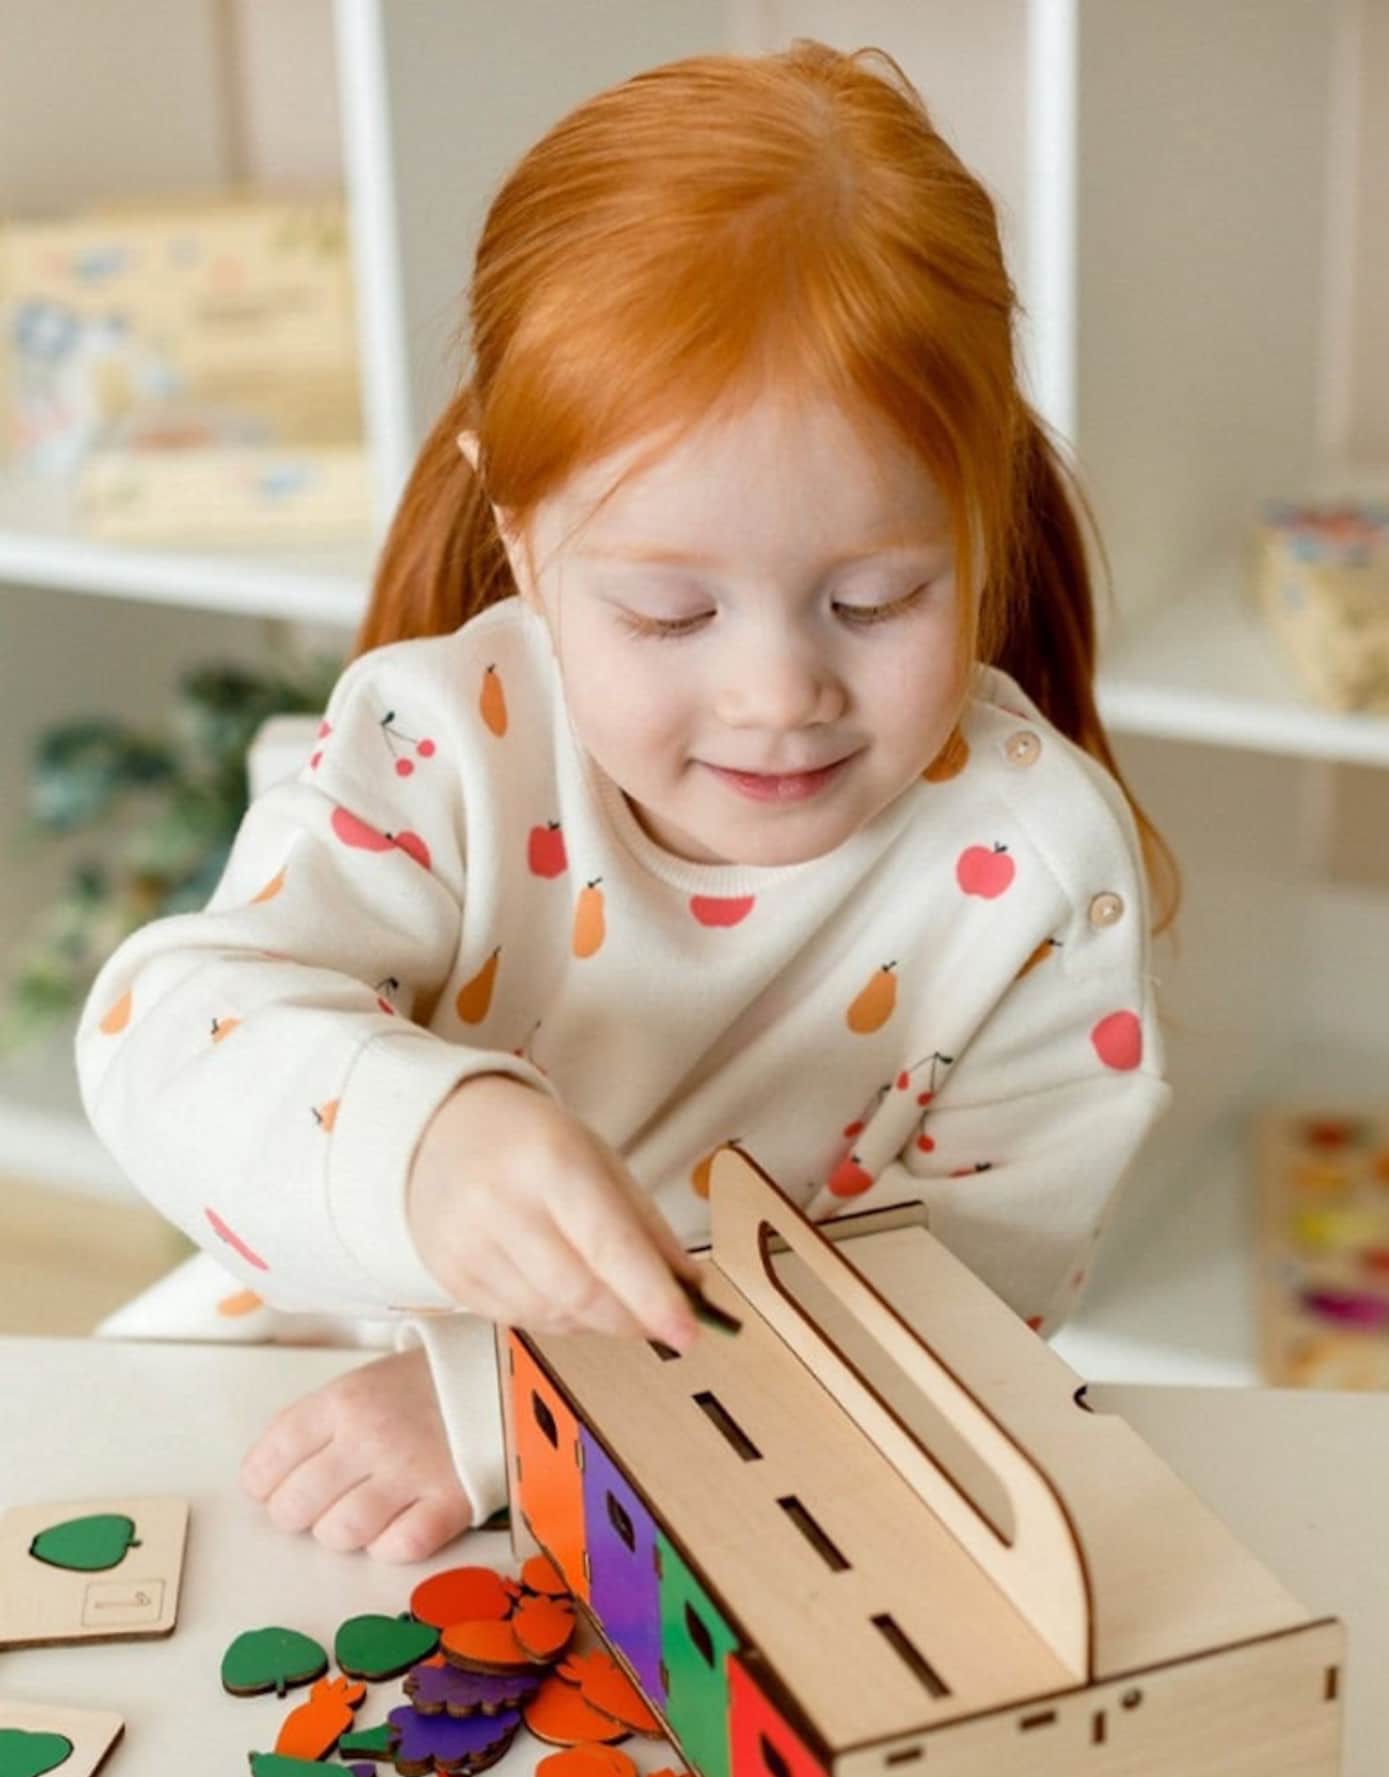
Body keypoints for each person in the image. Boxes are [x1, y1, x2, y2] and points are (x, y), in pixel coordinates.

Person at [76, 40, 1180, 1564]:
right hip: (305, 1389)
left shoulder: (1038, 879)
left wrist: (498, 1397)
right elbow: (163, 1033)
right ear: (521, 535)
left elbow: (951, 1319)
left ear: (984, 508)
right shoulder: (444, 746)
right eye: (669, 612)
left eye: (874, 598)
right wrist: (428, 1148)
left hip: (722, 1475)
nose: (778, 692)